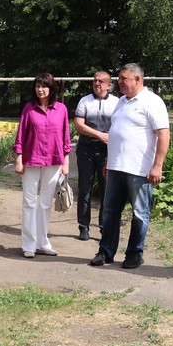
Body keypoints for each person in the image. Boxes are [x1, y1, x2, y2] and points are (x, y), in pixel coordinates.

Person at [89, 63, 170, 269]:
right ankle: (106, 252)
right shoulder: (122, 102)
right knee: (109, 211)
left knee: (139, 213)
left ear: (138, 79)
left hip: (139, 169)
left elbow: (163, 134)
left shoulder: (152, 101)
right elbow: (117, 132)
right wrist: (109, 160)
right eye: (120, 78)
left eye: (124, 78)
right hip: (116, 166)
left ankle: (134, 253)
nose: (120, 82)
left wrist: (157, 165)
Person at [13, 73, 72, 258]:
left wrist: (66, 162)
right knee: (29, 202)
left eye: (44, 86)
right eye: (37, 86)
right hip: (31, 159)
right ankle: (29, 245)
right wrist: (19, 158)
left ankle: (42, 242)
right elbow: (21, 135)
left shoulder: (61, 109)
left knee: (46, 203)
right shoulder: (29, 109)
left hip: (54, 160)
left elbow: (65, 137)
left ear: (51, 88)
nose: (40, 89)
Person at [74, 70, 115, 241]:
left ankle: (104, 227)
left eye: (101, 81)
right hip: (86, 150)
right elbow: (78, 125)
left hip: (107, 152)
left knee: (107, 190)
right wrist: (100, 135)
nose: (97, 84)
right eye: (95, 81)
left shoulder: (116, 103)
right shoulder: (85, 101)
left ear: (108, 85)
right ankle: (83, 227)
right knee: (85, 189)